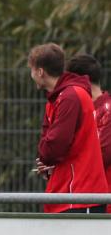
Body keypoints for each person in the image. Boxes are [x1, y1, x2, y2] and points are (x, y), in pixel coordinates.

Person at [29, 44, 106, 214]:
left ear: (40, 72)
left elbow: (53, 148)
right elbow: (48, 145)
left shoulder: (69, 97)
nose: (31, 75)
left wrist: (47, 156)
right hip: (70, 192)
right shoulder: (58, 97)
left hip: (79, 194)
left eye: (32, 70)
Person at [67, 54, 111, 193]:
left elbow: (99, 157)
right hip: (86, 194)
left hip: (102, 200)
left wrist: (62, 165)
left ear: (82, 81)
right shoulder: (84, 109)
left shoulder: (107, 111)